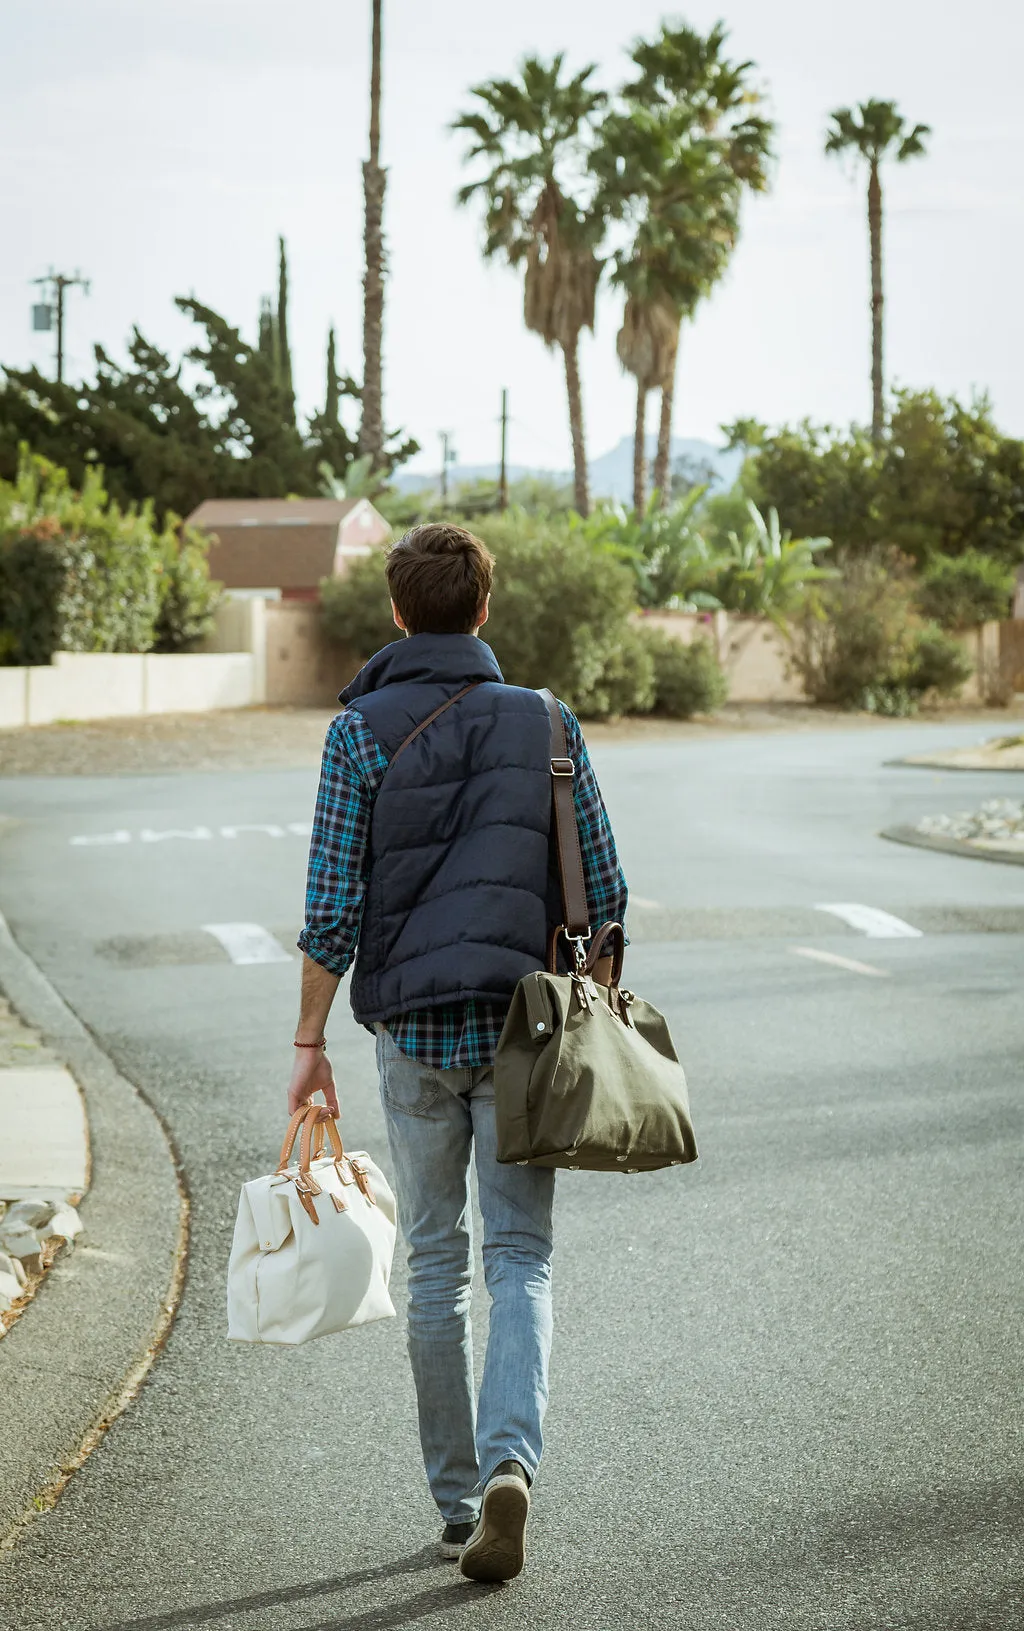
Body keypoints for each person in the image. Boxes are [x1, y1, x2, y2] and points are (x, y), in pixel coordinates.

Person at [287, 522, 628, 1583]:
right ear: (484, 609)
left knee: (434, 1259)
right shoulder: (550, 723)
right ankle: (510, 1463)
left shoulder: (357, 734)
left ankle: (456, 1501)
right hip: (526, 1032)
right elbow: (605, 892)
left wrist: (308, 1039)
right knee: (520, 1255)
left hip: (415, 1037)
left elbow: (331, 907)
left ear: (397, 612)